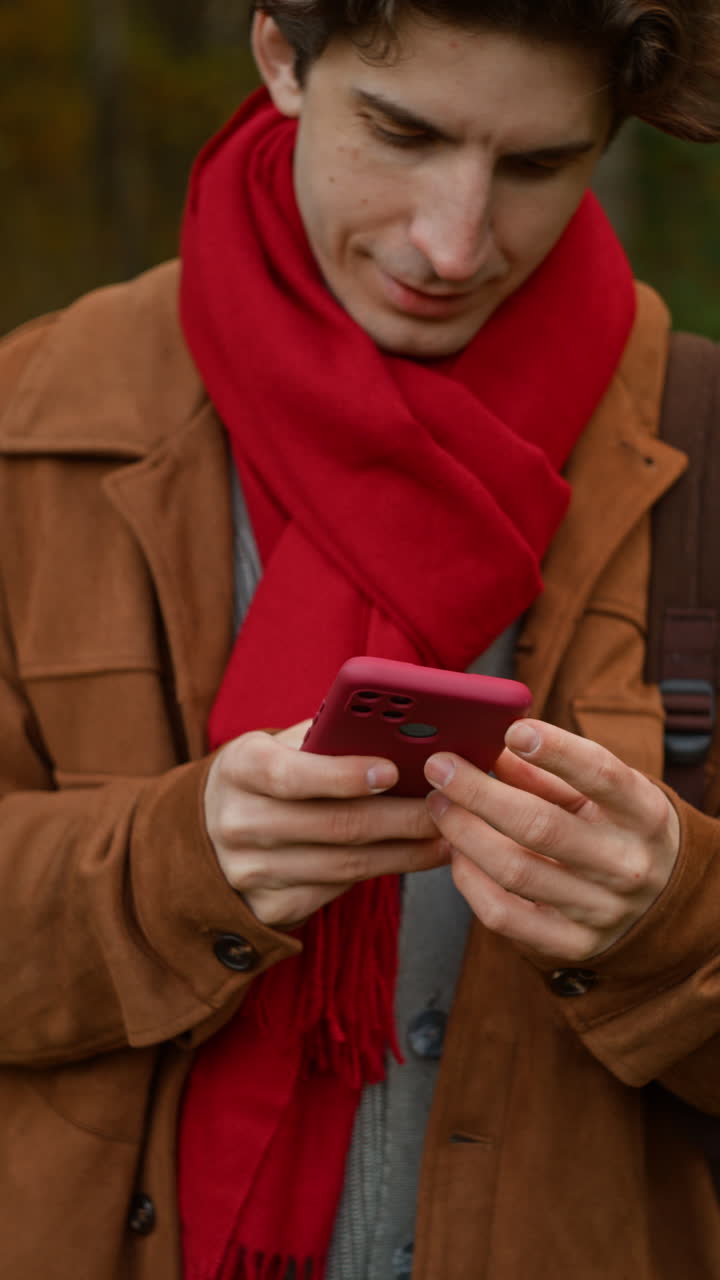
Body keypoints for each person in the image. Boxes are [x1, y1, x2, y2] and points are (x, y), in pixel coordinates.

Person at [1, 1, 720, 1277]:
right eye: (402, 133)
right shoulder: (28, 421)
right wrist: (170, 868)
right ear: (282, 57)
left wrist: (676, 926)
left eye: (538, 164)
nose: (452, 242)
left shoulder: (702, 444)